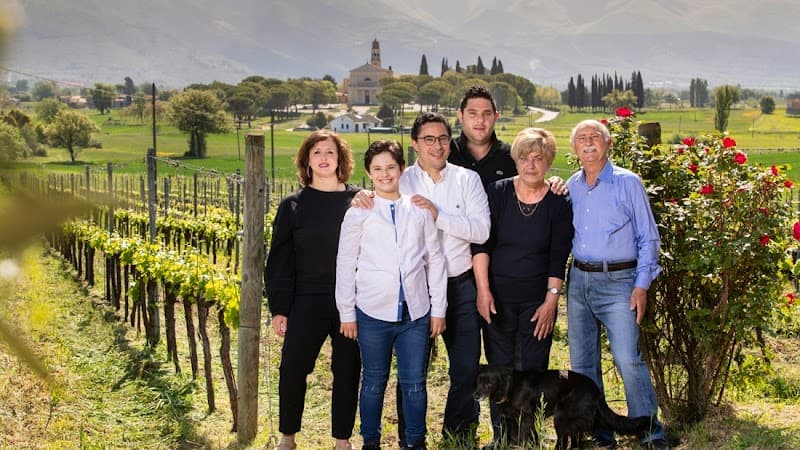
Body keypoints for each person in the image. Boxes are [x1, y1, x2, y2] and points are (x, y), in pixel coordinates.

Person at [353, 112, 491, 447]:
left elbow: (482, 231)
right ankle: (410, 439)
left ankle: (457, 434)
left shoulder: (468, 180)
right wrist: (357, 197)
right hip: (412, 289)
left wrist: (438, 215)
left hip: (459, 285)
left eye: (443, 138)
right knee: (411, 374)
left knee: (464, 369)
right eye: (428, 139)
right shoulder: (402, 179)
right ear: (415, 144)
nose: (437, 145)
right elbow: (377, 196)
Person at [336, 140, 447, 450]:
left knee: (415, 384)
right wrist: (347, 313)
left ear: (401, 169)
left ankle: (415, 442)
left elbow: (435, 260)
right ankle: (370, 442)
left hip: (416, 314)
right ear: (369, 172)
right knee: (373, 382)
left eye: (390, 167)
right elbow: (345, 263)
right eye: (377, 169)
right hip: (372, 312)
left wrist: (438, 309)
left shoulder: (419, 209)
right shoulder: (359, 212)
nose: (384, 174)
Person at [566, 119, 669, 450]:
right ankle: (600, 434)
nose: (588, 142)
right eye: (582, 138)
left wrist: (641, 285)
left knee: (628, 359)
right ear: (574, 148)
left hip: (619, 282)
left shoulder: (628, 183)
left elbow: (648, 238)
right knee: (583, 365)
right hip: (578, 280)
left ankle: (650, 434)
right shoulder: (571, 186)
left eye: (595, 136)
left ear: (607, 143)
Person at [472, 127, 574, 445]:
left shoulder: (558, 200)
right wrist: (483, 290)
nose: (531, 164)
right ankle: (502, 438)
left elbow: (559, 254)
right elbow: (482, 244)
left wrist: (551, 301)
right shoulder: (498, 192)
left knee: (532, 372)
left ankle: (528, 438)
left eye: (538, 158)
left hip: (537, 302)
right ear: (515, 160)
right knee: (499, 370)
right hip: (497, 298)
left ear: (548, 162)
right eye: (525, 157)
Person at [264, 130, 361, 450]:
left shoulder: (360, 201)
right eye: (316, 152)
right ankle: (288, 437)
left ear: (340, 159)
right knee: (292, 367)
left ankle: (342, 440)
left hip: (350, 301)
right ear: (306, 161)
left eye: (330, 152)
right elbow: (280, 260)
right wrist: (279, 308)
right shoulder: (293, 205)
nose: (323, 158)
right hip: (306, 300)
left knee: (347, 370)